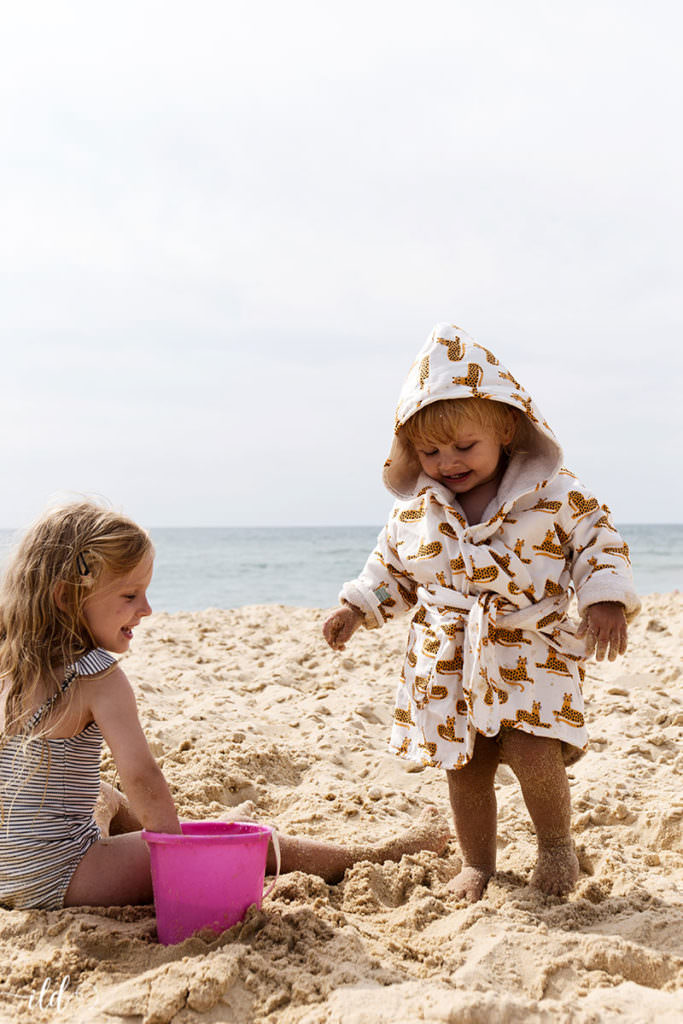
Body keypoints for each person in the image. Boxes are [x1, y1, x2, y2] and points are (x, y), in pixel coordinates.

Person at [0, 501, 449, 912]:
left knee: (102, 794)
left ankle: (187, 833)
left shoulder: (10, 659)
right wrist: (183, 862)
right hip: (60, 876)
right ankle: (370, 855)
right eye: (129, 596)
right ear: (66, 598)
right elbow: (143, 778)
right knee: (254, 843)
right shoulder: (99, 679)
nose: (148, 609)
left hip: (8, 869)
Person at [323, 323, 640, 902]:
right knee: (464, 765)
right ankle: (478, 864)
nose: (447, 463)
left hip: (528, 646)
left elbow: (598, 540)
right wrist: (356, 605)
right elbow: (390, 568)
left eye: (463, 447)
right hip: (446, 659)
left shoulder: (554, 493)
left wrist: (606, 598)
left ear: (506, 427)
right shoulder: (417, 512)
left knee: (532, 746)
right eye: (430, 452)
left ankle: (555, 847)